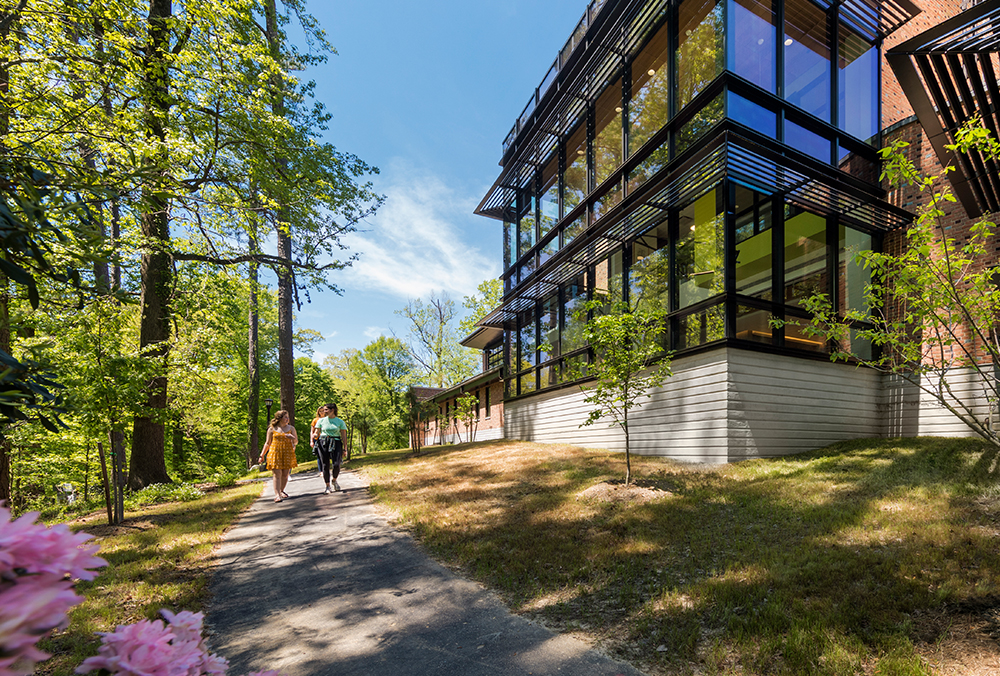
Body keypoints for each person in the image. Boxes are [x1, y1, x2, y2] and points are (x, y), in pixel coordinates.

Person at [258, 410, 298, 502]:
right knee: (277, 474)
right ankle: (277, 495)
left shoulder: (291, 428)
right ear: (279, 418)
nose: (287, 419)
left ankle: (281, 490)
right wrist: (262, 455)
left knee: (285, 475)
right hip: (275, 453)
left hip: (287, 453)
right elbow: (267, 443)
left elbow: (296, 442)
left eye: (288, 417)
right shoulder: (272, 429)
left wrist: (293, 438)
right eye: (285, 417)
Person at [313, 402, 347, 493]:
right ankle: (327, 486)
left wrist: (345, 448)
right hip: (323, 442)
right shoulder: (321, 421)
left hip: (336, 442)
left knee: (336, 464)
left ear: (332, 410)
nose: (324, 411)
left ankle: (334, 480)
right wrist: (315, 435)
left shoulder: (340, 422)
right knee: (325, 464)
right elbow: (317, 431)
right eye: (324, 410)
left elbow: (343, 436)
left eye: (326, 410)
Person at [310, 405, 327, 473]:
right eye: (320, 411)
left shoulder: (328, 419)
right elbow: (312, 431)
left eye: (323, 411)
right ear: (318, 412)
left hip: (326, 438)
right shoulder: (315, 420)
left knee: (326, 454)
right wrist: (311, 441)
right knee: (319, 455)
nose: (322, 412)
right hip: (317, 438)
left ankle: (325, 469)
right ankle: (321, 471)